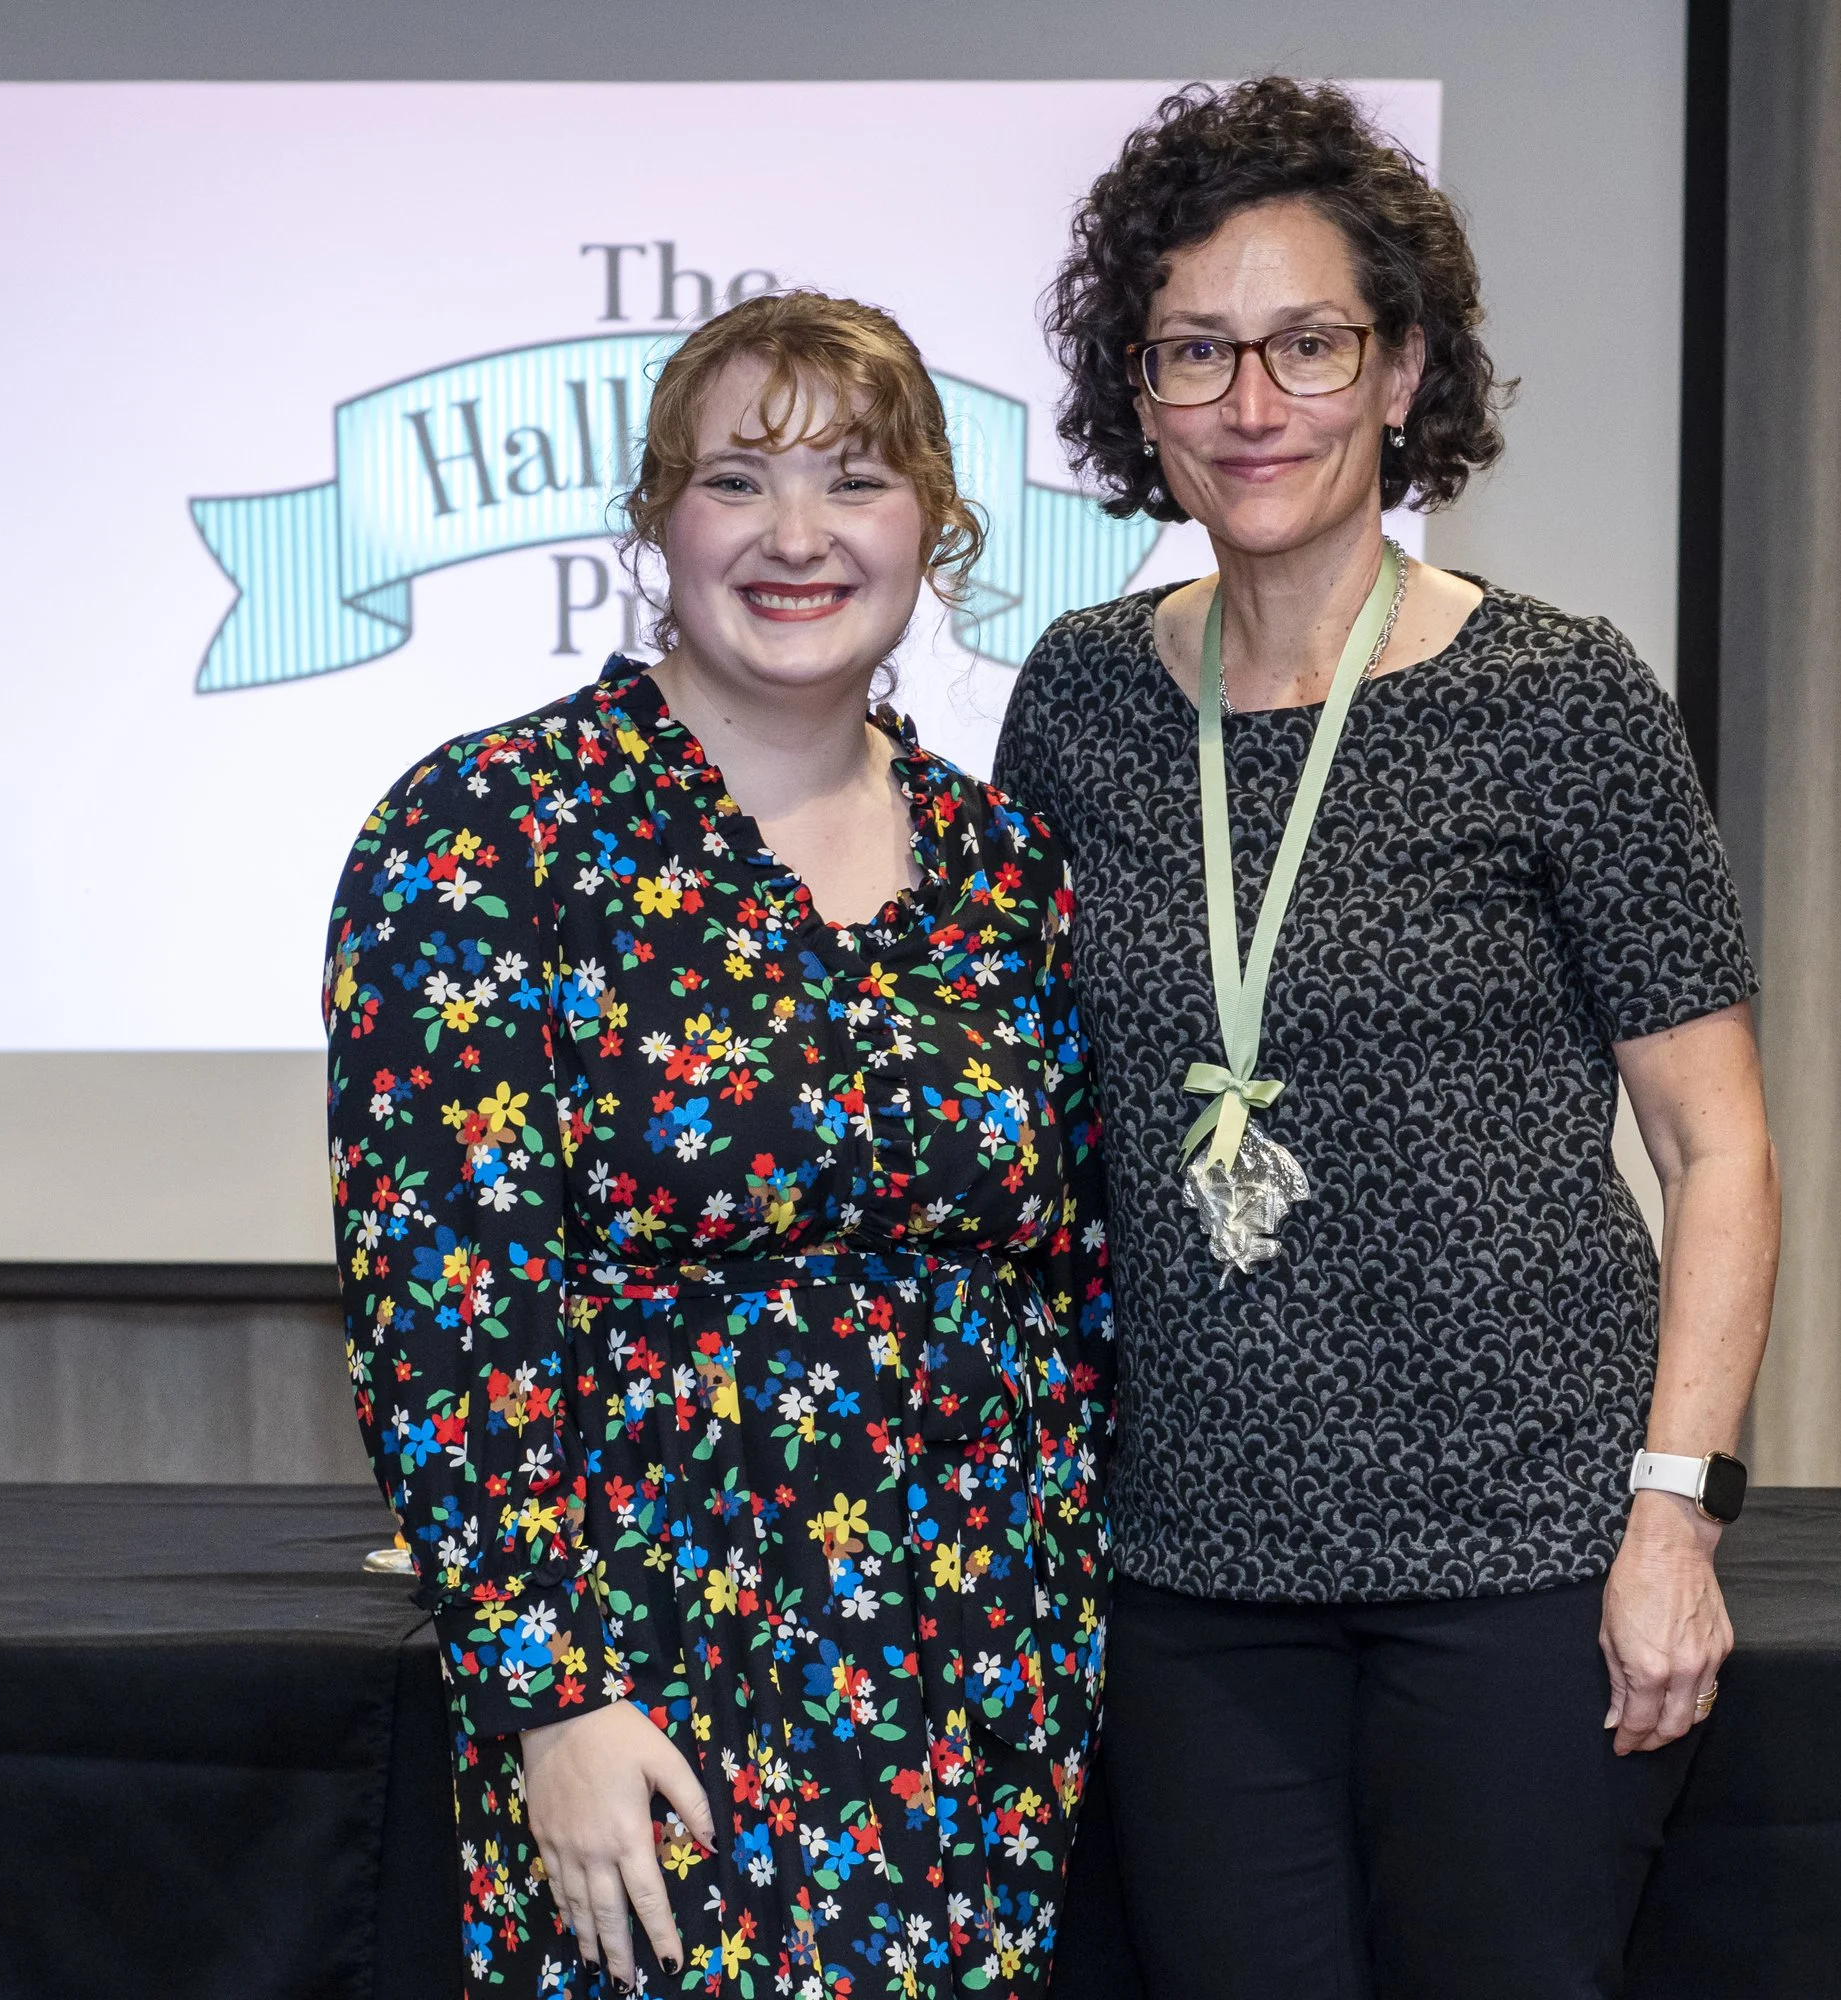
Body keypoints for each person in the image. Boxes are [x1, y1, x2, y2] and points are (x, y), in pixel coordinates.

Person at [996, 80, 1781, 2000]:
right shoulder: (1081, 698)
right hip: (1188, 1562)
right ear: (1138, 393)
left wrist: (1672, 1519)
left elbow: (1719, 1147)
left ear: (1404, 369)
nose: (1251, 402)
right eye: (1196, 350)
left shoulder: (1559, 694)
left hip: (1521, 1553)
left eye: (1309, 344)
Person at [324, 291, 1112, 2000]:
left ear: (935, 527)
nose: (798, 535)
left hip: (987, 1659)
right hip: (656, 1666)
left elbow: (1078, 1280)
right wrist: (551, 1698)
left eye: (856, 479)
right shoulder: (490, 831)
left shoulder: (1006, 865)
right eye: (738, 481)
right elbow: (444, 1307)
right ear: (658, 523)